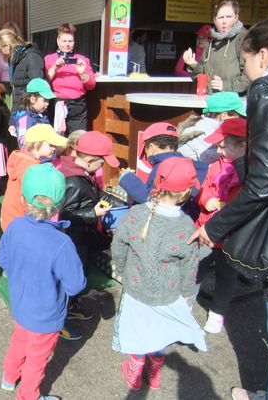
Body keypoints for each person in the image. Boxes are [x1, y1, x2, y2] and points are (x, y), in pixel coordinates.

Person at [188, 15, 268, 400]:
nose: (244, 72)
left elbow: (264, 183)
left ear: (263, 55)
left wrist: (214, 227)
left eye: (245, 63)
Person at [112, 156, 206, 391]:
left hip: (136, 286)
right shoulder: (186, 226)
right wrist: (186, 292)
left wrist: (122, 269)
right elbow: (189, 264)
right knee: (162, 331)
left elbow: (118, 245)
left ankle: (135, 370)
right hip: (169, 291)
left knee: (138, 328)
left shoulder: (135, 215)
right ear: (186, 192)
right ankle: (154, 372)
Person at [0, 163, 86, 400]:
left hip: (20, 304)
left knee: (19, 341)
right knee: (37, 358)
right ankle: (28, 396)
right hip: (46, 315)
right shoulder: (61, 243)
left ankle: (8, 378)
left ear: (24, 197)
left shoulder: (15, 226)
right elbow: (75, 285)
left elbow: (2, 259)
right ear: (59, 203)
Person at [58, 131, 119, 340]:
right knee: (70, 277)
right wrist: (92, 213)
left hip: (81, 237)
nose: (102, 167)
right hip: (72, 239)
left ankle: (72, 304)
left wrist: (114, 202)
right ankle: (59, 319)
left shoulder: (83, 174)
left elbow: (96, 194)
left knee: (80, 273)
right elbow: (65, 213)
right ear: (91, 160)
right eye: (102, 163)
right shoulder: (73, 181)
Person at [195, 118, 247, 334]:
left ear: (242, 146)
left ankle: (217, 312)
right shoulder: (215, 166)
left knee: (227, 277)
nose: (218, 150)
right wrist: (206, 199)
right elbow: (203, 188)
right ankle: (185, 304)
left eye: (222, 146)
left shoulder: (250, 173)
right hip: (207, 229)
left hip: (231, 237)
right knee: (196, 270)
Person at [119, 122, 208, 205]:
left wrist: (127, 178)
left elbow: (149, 199)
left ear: (151, 147)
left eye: (145, 149)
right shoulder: (193, 165)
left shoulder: (162, 168)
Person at [0, 124, 67, 232]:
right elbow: (34, 200)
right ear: (36, 144)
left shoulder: (20, 158)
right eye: (50, 144)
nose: (54, 148)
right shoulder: (31, 169)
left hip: (10, 216)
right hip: (21, 221)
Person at [183, 0, 249, 94]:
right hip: (211, 101)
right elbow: (201, 73)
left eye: (229, 16)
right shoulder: (211, 41)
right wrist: (192, 64)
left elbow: (250, 74)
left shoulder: (242, 39)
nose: (224, 21)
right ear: (214, 19)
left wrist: (226, 86)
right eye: (221, 17)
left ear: (236, 17)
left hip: (232, 103)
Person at [44, 23, 96, 134]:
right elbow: (44, 83)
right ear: (58, 41)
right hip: (56, 104)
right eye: (64, 41)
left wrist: (82, 73)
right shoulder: (49, 59)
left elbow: (91, 85)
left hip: (78, 106)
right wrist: (55, 68)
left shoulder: (82, 60)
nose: (67, 44)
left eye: (70, 41)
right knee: (58, 140)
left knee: (77, 140)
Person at [178, 91, 246, 163]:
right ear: (224, 115)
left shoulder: (206, 123)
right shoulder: (203, 129)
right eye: (239, 117)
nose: (241, 120)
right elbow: (209, 159)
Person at [0, 28, 45, 114]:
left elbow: (38, 86)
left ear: (7, 46)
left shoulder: (31, 56)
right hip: (19, 109)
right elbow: (16, 91)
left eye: (0, 49)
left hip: (30, 111)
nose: (0, 52)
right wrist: (13, 119)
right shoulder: (14, 60)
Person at [10, 78, 55, 146]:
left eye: (48, 101)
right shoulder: (25, 118)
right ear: (32, 99)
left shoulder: (42, 115)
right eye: (45, 100)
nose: (47, 104)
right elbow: (23, 143)